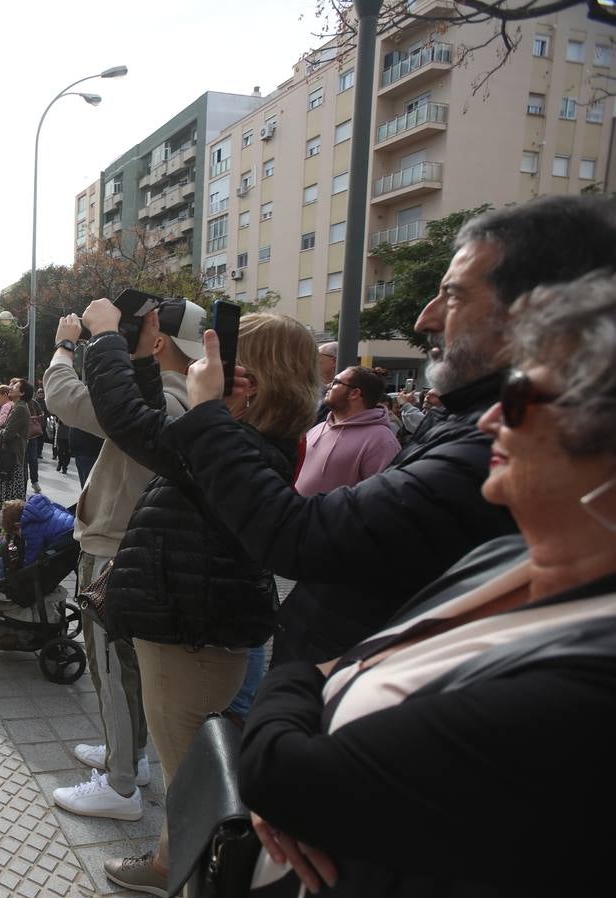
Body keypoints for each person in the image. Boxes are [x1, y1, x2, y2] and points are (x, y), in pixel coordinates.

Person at [238, 272, 616, 898]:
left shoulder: (591, 667)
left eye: (523, 396)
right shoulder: (501, 560)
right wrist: (303, 697)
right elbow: (330, 677)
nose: (492, 417)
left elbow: (285, 772)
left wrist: (293, 706)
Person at [157, 194, 616, 666]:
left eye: (454, 296)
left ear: (541, 315)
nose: (426, 318)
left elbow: (298, 537)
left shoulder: (490, 451)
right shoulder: (464, 429)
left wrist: (208, 413)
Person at [82, 304, 320, 897]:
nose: (209, 364)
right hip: (191, 628)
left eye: (225, 357)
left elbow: (134, 427)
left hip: (193, 638)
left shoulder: (240, 445)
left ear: (252, 380)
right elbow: (150, 429)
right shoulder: (241, 439)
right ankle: (173, 864)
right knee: (188, 768)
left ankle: (196, 874)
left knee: (193, 769)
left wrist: (107, 341)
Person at [44, 299, 206, 822]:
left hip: (114, 547)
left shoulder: (159, 401)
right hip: (130, 544)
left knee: (111, 666)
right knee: (126, 668)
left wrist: (66, 348)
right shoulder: (186, 396)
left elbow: (64, 398)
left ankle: (119, 787)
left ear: (158, 343)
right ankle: (128, 758)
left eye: (140, 329)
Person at [295, 365, 402, 496]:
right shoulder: (318, 427)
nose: (329, 385)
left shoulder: (381, 440)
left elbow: (384, 497)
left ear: (354, 393)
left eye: (336, 382)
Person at [0, 379, 32, 509]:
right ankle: (8, 523)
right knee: (9, 493)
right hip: (10, 455)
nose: (12, 388)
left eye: (16, 386)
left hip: (12, 456)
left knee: (12, 497)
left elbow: (8, 433)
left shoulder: (20, 408)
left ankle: (11, 524)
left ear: (22, 393)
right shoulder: (16, 406)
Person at [313, 341, 338, 423]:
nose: (313, 359)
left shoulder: (348, 394)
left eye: (318, 355)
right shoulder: (310, 388)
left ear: (334, 361)